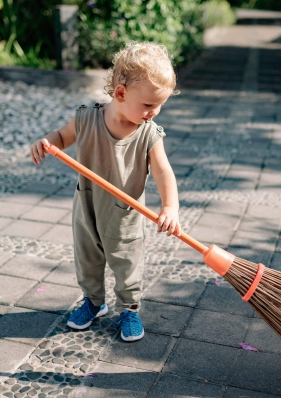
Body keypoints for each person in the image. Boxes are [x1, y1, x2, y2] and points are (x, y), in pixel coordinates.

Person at [29, 41, 181, 342]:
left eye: (159, 104)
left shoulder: (148, 133)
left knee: (127, 263)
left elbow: (164, 171)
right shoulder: (86, 118)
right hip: (87, 207)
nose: (155, 112)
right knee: (87, 259)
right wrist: (46, 143)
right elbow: (61, 136)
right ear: (121, 94)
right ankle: (93, 301)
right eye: (149, 104)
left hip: (124, 215)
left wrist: (170, 207)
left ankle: (129, 308)